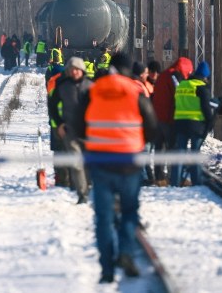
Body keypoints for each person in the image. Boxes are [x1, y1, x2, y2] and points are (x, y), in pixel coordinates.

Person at [77, 53, 161, 284]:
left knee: (103, 217)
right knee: (129, 211)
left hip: (100, 163)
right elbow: (153, 127)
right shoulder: (136, 92)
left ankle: (106, 268)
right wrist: (138, 140)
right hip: (129, 163)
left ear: (112, 67)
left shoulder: (93, 91)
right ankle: (125, 252)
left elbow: (77, 124)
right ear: (128, 69)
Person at [50, 57, 92, 202]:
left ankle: (88, 185)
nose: (74, 72)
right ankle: (82, 193)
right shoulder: (62, 86)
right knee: (76, 162)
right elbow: (53, 106)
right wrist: (59, 124)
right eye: (71, 69)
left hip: (88, 131)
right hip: (70, 130)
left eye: (77, 69)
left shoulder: (90, 86)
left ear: (82, 70)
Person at [150, 57, 193, 186]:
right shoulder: (175, 77)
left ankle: (159, 178)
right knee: (174, 149)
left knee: (159, 149)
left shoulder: (163, 75)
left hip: (157, 118)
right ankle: (176, 177)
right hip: (169, 119)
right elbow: (178, 95)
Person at [171, 61, 214, 187]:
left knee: (180, 154)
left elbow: (175, 104)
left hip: (180, 123)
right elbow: (206, 108)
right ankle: (197, 182)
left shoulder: (182, 85)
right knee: (195, 153)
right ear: (205, 76)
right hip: (196, 125)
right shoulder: (201, 87)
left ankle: (175, 183)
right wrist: (210, 123)